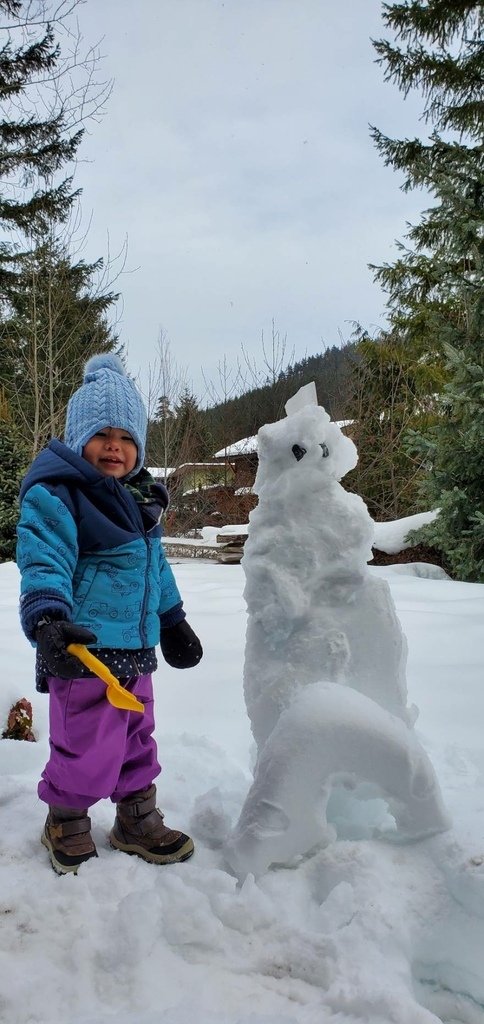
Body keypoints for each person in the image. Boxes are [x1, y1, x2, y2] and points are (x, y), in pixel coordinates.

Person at [16, 353, 203, 875]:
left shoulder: (142, 501)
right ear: (80, 439)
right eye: (102, 435)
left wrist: (173, 619)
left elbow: (155, 567)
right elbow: (44, 558)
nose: (114, 446)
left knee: (136, 733)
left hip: (136, 648)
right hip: (82, 650)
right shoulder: (59, 494)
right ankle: (67, 816)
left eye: (126, 437)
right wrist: (49, 619)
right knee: (83, 741)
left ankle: (136, 815)